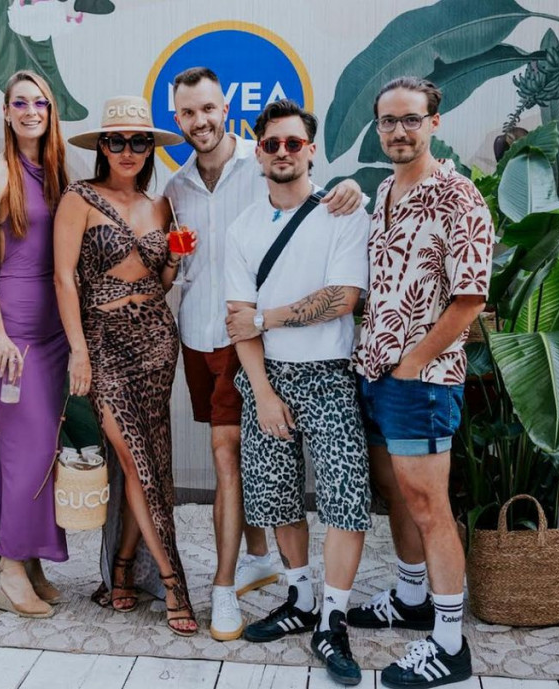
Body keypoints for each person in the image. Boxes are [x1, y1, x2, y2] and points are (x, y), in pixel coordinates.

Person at [163, 67, 365, 641]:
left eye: (208, 108)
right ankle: (265, 564)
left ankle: (231, 589)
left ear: (225, 109)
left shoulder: (270, 174)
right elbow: (182, 274)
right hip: (204, 336)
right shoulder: (175, 187)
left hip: (261, 344)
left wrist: (352, 187)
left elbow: (336, 265)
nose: (200, 120)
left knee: (236, 461)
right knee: (252, 470)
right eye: (188, 112)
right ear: (177, 119)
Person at [348, 77, 494, 688]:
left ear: (434, 121)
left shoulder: (459, 197)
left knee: (431, 507)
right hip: (376, 372)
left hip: (422, 380)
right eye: (388, 121)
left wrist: (412, 364)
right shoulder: (385, 190)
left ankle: (449, 644)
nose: (399, 131)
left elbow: (470, 300)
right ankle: (411, 598)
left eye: (411, 119)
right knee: (398, 493)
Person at [223, 98, 371, 685]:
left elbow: (342, 298)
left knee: (345, 498)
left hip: (330, 374)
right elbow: (238, 321)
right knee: (276, 497)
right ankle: (301, 598)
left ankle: (333, 619)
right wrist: (262, 392)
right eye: (271, 144)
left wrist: (268, 316)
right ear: (259, 153)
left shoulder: (342, 211)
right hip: (268, 377)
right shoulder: (242, 229)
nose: (282, 152)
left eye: (293, 143)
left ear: (311, 150)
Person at [54, 96, 199, 636]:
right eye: (117, 141)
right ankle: (173, 582)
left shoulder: (161, 205)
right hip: (105, 344)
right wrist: (78, 350)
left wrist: (174, 260)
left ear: (150, 148)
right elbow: (64, 279)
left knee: (152, 461)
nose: (128, 150)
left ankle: (122, 568)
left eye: (139, 141)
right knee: (137, 461)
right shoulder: (79, 198)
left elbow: (161, 282)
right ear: (102, 146)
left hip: (158, 341)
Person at [0, 70, 70, 619]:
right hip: (14, 331)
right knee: (23, 451)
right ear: (6, 113)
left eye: (40, 103)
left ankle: (30, 560)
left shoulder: (56, 172)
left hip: (54, 331)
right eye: (21, 103)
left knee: (43, 450)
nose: (31, 111)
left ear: (50, 112)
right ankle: (8, 570)